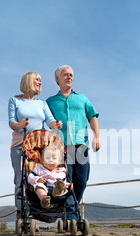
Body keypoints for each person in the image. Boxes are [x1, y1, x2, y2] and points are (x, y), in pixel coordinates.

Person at [46, 65, 101, 221]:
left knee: (81, 181)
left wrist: (97, 136)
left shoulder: (82, 98)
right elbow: (46, 121)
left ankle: (68, 211)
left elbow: (92, 117)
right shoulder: (50, 101)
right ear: (58, 79)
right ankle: (71, 218)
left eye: (71, 74)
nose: (69, 77)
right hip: (60, 147)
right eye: (65, 74)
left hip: (81, 145)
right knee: (65, 181)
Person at [8, 72, 63, 211]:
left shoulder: (42, 103)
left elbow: (50, 120)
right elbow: (11, 122)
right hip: (20, 144)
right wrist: (20, 125)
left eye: (40, 80)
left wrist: (55, 124)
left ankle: (38, 210)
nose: (40, 82)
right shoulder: (15, 100)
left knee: (40, 176)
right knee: (21, 178)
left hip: (39, 146)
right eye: (37, 80)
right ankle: (22, 212)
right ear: (28, 81)